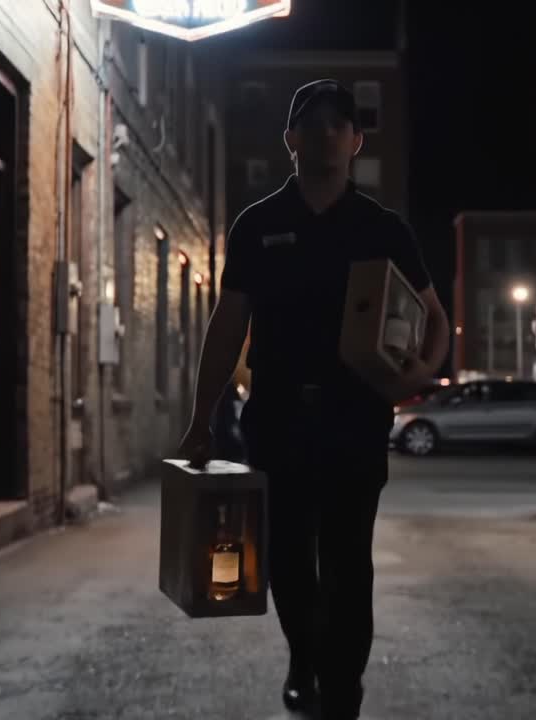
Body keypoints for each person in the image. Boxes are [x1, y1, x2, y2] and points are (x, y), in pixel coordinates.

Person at [177, 78, 450, 719]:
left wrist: (420, 374)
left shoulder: (381, 228)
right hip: (276, 419)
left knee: (349, 560)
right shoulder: (257, 225)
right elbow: (227, 325)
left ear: (355, 141)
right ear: (290, 139)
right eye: (313, 123)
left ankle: (343, 688)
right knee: (289, 560)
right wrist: (200, 419)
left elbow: (434, 315)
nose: (326, 133)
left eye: (339, 124)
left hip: (354, 417)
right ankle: (306, 656)